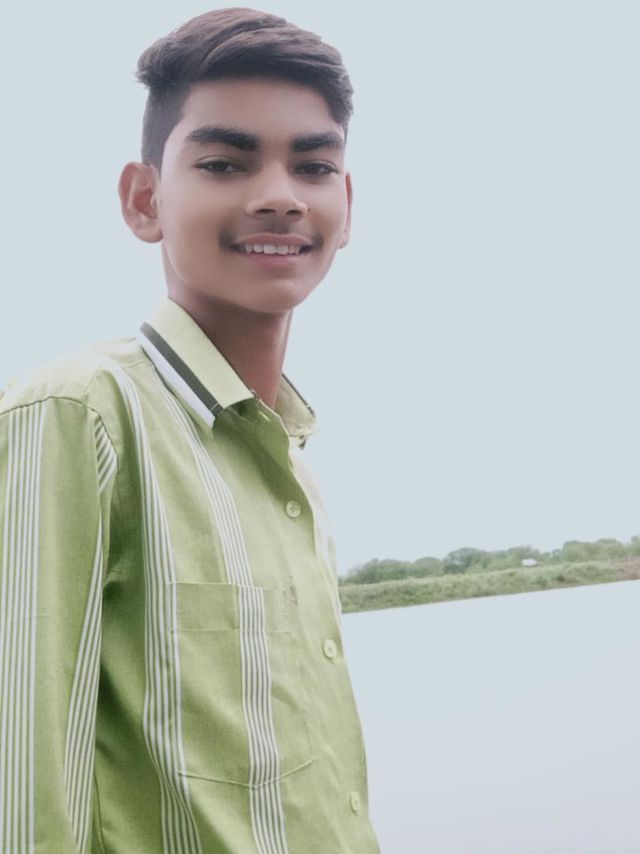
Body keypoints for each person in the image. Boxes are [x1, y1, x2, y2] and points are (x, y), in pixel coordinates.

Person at [0, 7, 381, 853]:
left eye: (313, 165)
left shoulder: (288, 463)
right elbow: (20, 786)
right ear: (145, 200)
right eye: (223, 163)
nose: (279, 195)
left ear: (345, 205)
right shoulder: (81, 416)